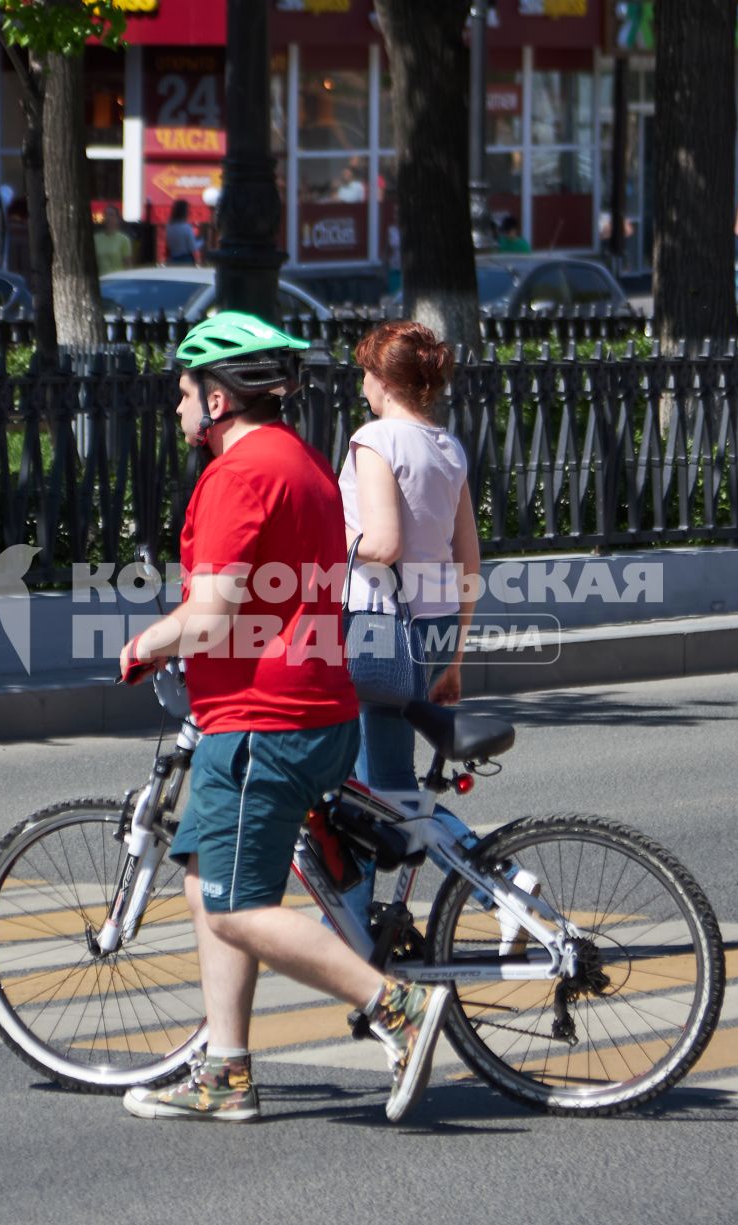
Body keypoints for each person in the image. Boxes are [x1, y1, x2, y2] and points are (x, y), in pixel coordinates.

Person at [116, 312, 451, 1125]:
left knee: (234, 904)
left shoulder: (238, 476)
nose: (178, 407)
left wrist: (145, 643)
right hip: (315, 705)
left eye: (186, 391)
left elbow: (209, 615)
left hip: (261, 718)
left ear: (221, 397)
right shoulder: (299, 461)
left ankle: (393, 1004)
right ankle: (227, 1072)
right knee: (209, 882)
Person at [333, 321, 482, 928]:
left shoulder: (375, 439)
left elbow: (383, 543)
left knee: (368, 787)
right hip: (436, 625)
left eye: (366, 372)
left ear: (385, 380)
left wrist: (324, 532)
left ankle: (349, 923)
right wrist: (455, 658)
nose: (362, 384)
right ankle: (494, 875)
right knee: (383, 785)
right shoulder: (447, 447)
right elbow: (468, 561)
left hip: (378, 628)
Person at [93, 209, 133, 276]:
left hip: (117, 280)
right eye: (106, 215)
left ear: (117, 219)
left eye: (112, 215)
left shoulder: (123, 239)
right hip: (100, 280)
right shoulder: (96, 238)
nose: (109, 218)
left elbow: (128, 264)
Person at [164, 199, 199, 266]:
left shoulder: (169, 226)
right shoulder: (186, 227)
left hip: (172, 258)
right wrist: (201, 242)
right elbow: (192, 247)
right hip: (186, 259)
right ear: (185, 212)